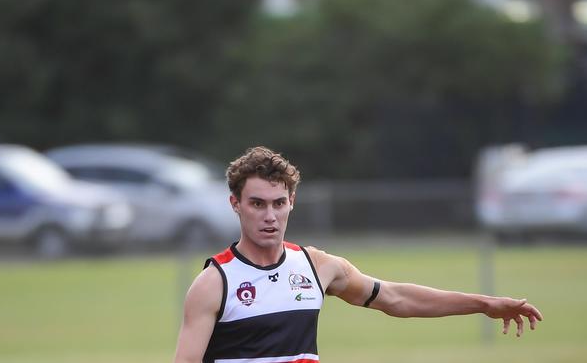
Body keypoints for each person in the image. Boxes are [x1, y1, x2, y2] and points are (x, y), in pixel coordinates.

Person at [173, 146, 543, 363]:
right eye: (257, 204)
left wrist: (483, 303)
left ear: (292, 203)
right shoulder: (215, 283)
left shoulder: (317, 267)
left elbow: (396, 298)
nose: (269, 216)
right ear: (235, 204)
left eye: (278, 203)